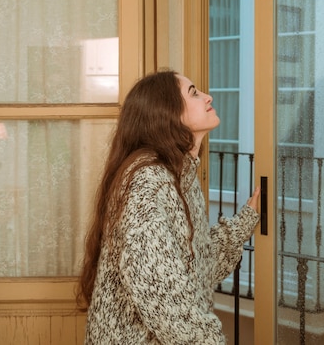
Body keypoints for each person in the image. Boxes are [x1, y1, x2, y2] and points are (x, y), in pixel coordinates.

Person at [77, 69, 261, 344]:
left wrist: (246, 220)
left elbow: (198, 266)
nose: (207, 97)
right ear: (168, 113)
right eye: (194, 93)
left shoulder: (180, 176)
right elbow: (164, 299)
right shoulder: (147, 181)